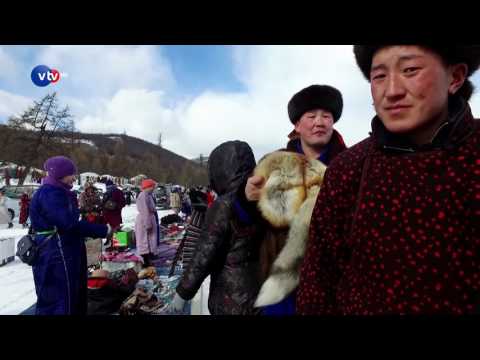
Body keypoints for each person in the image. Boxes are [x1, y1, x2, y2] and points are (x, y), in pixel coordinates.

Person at [297, 45, 480, 315]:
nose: (392, 90)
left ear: (455, 77)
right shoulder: (348, 170)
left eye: (410, 70)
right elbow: (319, 282)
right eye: (379, 76)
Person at [243, 85, 347, 315]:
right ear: (297, 125)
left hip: (333, 284)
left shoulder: (350, 165)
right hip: (281, 285)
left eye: (326, 116)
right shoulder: (273, 163)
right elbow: (249, 220)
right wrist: (246, 200)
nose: (319, 122)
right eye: (311, 116)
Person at [169, 141, 263, 315]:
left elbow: (205, 253)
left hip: (231, 297)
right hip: (259, 292)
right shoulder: (260, 199)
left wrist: (183, 292)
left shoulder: (224, 204)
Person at [29, 156, 114, 315]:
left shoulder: (60, 191)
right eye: (71, 174)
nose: (74, 177)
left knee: (72, 295)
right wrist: (102, 230)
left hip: (65, 250)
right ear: (60, 174)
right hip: (56, 254)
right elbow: (68, 223)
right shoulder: (50, 193)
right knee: (61, 299)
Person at [135, 179, 160, 267]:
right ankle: (145, 261)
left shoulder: (147, 195)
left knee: (149, 240)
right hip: (144, 220)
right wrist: (147, 224)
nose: (154, 188)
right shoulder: (143, 195)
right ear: (149, 187)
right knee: (144, 241)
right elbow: (144, 210)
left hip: (148, 218)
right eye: (153, 187)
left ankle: (148, 258)